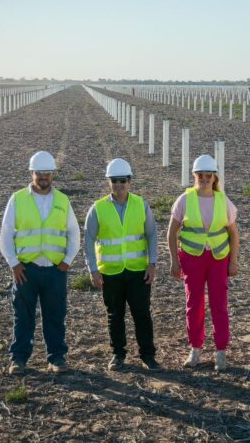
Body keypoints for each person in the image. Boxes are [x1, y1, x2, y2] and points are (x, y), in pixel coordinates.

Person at [0, 151, 81, 375]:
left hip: (55, 270)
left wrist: (67, 262)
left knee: (55, 316)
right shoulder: (18, 199)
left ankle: (56, 358)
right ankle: (18, 359)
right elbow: (5, 234)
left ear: (53, 174)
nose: (43, 176)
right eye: (39, 173)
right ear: (32, 173)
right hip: (26, 270)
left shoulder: (63, 200)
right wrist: (14, 264)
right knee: (23, 316)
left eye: (47, 173)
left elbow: (74, 233)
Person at [84, 158, 161, 371]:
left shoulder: (140, 204)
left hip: (138, 271)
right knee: (115, 315)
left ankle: (148, 355)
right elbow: (89, 240)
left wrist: (152, 263)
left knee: (142, 314)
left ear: (130, 181)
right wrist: (93, 269)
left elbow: (152, 235)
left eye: (122, 180)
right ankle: (118, 355)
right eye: (114, 180)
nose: (118, 185)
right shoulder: (98, 208)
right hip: (111, 272)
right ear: (108, 182)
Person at [168, 155, 239, 371]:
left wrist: (233, 261)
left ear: (214, 177)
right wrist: (174, 261)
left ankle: (220, 352)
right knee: (194, 304)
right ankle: (196, 349)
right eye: (201, 175)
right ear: (194, 175)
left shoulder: (223, 200)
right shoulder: (184, 200)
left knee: (219, 304)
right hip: (191, 258)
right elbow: (172, 232)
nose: (205, 178)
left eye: (209, 175)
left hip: (218, 258)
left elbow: (233, 234)